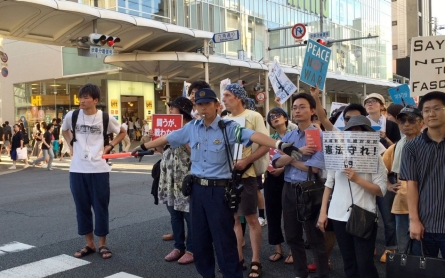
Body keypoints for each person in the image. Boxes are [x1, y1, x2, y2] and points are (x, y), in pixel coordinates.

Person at [132, 87, 302, 278]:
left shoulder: (228, 128)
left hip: (219, 192)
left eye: (207, 104)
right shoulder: (192, 128)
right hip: (196, 191)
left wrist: (279, 145)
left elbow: (253, 135)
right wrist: (143, 146)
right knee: (200, 239)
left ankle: (232, 274)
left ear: (216, 105)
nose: (203, 108)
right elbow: (169, 138)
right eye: (199, 104)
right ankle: (207, 275)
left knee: (224, 240)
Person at [62, 84, 126, 260]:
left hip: (99, 169)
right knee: (82, 207)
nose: (82, 100)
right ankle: (89, 243)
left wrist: (110, 146)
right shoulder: (72, 115)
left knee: (100, 207)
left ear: (95, 100)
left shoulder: (104, 118)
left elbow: (122, 131)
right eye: (80, 97)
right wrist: (70, 144)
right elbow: (64, 129)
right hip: (77, 169)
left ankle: (102, 244)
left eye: (86, 97)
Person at [317, 115, 387, 278]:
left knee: (365, 264)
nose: (355, 134)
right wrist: (323, 213)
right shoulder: (338, 152)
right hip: (338, 215)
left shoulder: (374, 156)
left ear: (367, 133)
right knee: (348, 262)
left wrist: (357, 180)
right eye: (351, 130)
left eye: (360, 130)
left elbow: (381, 190)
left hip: (364, 215)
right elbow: (329, 183)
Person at [272, 93, 329, 278]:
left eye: (302, 106)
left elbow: (312, 168)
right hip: (288, 188)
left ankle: (322, 274)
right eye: (295, 107)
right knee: (292, 235)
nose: (297, 110)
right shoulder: (289, 135)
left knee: (314, 237)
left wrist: (291, 158)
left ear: (313, 110)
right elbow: (276, 163)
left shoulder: (319, 135)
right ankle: (300, 273)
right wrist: (298, 153)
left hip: (310, 187)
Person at [223, 84, 269, 278]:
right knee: (233, 218)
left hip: (248, 175)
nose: (223, 99)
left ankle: (256, 260)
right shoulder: (224, 120)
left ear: (238, 97)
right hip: (227, 176)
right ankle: (238, 257)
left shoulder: (254, 116)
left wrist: (247, 160)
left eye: (227, 95)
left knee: (250, 218)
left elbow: (266, 144)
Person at [400, 91, 445, 258]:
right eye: (426, 110)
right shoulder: (412, 148)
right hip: (425, 224)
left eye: (437, 108)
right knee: (425, 271)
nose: (431, 114)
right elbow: (411, 185)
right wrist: (414, 221)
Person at [364, 93, 399, 262]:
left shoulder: (391, 125)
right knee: (367, 214)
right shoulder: (362, 124)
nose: (370, 104)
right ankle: (369, 246)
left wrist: (386, 138)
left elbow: (400, 148)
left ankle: (391, 247)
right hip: (365, 175)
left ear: (382, 105)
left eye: (374, 102)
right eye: (367, 102)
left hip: (388, 174)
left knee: (387, 216)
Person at [383, 106, 423, 253]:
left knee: (425, 251)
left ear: (422, 123)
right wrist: (388, 185)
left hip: (427, 207)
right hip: (402, 204)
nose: (406, 124)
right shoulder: (395, 148)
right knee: (404, 249)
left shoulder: (431, 146)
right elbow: (381, 170)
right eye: (402, 121)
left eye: (411, 120)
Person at [159, 97, 195, 264]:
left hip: (185, 178)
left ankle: (192, 249)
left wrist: (182, 137)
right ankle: (178, 246)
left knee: (189, 215)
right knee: (174, 214)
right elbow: (161, 150)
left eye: (172, 108)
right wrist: (156, 138)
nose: (170, 112)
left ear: (182, 110)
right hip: (169, 178)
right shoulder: (169, 128)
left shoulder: (193, 128)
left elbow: (195, 152)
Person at [263, 107, 293, 264]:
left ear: (286, 118)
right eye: (271, 116)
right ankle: (278, 248)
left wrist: (282, 168)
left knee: (291, 215)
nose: (274, 117)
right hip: (271, 178)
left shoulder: (293, 135)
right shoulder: (269, 138)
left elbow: (300, 158)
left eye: (278, 115)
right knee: (273, 214)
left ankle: (293, 249)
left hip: (289, 177)